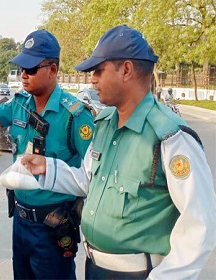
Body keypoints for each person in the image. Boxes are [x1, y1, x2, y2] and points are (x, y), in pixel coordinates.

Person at [21, 25, 216, 279]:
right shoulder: (105, 123)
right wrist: (47, 167)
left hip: (139, 273)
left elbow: (199, 224)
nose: (92, 79)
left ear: (126, 70)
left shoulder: (169, 136)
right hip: (95, 268)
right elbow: (88, 180)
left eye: (99, 71)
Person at [0, 30, 95, 279]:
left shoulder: (75, 116)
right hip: (21, 223)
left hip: (54, 227)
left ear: (53, 70)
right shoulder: (20, 104)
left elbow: (95, 175)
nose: (23, 74)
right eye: (22, 67)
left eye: (31, 68)